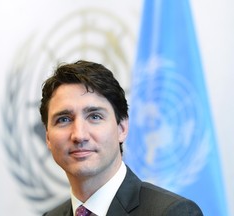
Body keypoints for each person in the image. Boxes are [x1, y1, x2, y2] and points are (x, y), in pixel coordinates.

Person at [39, 60, 203, 216]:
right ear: (47, 137)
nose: (79, 135)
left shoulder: (172, 212)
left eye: (95, 117)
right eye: (64, 119)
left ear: (122, 128)